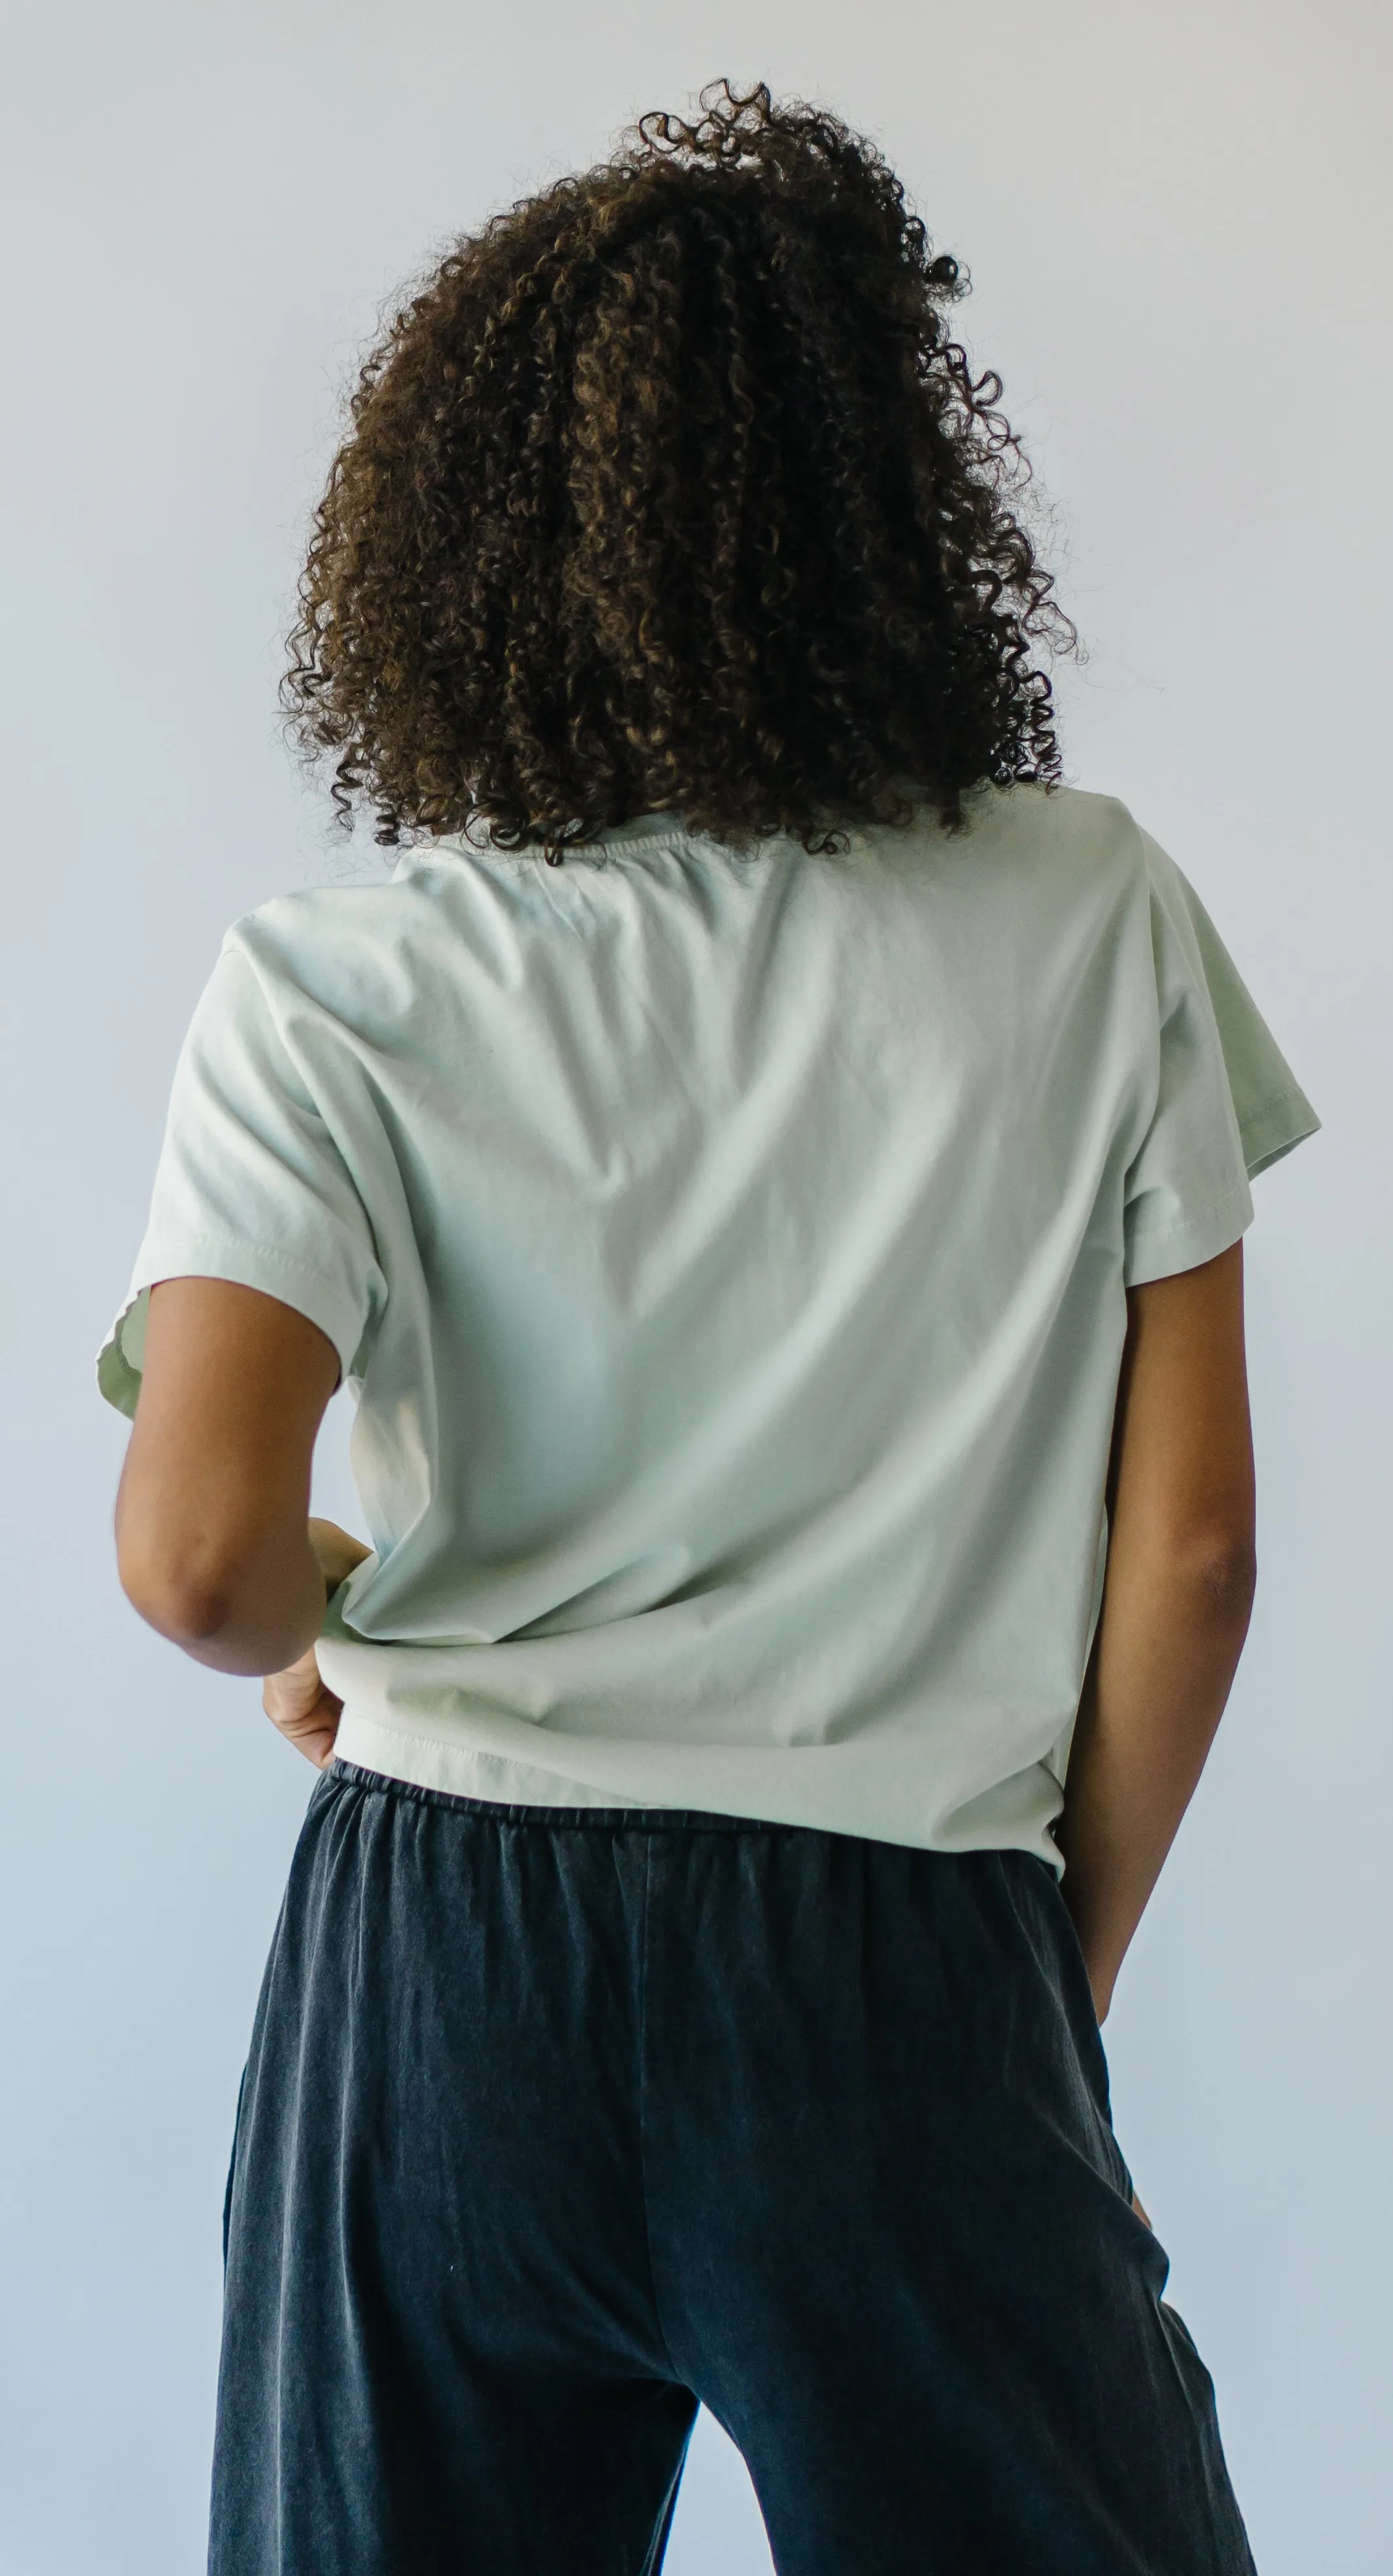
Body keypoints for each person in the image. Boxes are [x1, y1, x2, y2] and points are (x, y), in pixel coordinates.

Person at [101, 80, 1318, 2576]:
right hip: (900, 1961)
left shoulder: (337, 984)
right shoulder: (1092, 917)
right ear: (903, 514)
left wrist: (336, 1626)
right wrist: (1023, 1972)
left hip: (442, 1959)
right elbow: (1188, 1551)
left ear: (453, 539)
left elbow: (196, 1555)